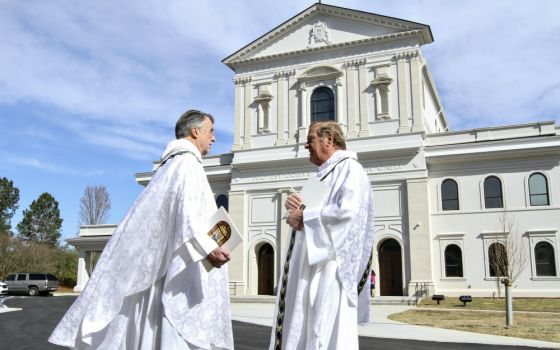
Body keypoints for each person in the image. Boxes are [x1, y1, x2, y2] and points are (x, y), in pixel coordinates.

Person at [49, 110, 233, 349]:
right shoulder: (188, 164)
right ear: (194, 131)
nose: (214, 138)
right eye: (211, 131)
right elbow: (189, 214)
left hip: (161, 267)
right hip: (176, 271)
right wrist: (208, 248)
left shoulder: (170, 165)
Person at [270, 121, 375, 350]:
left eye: (310, 139)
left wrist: (304, 217)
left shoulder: (350, 169)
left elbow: (347, 213)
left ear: (328, 139)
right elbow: (308, 213)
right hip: (309, 271)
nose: (306, 145)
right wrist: (296, 206)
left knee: (323, 334)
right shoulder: (322, 175)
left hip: (328, 273)